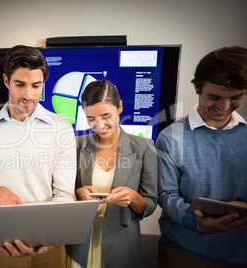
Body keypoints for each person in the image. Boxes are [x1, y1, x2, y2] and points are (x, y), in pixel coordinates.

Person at [0, 44, 76, 267]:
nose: (28, 95)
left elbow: (64, 194)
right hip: (4, 243)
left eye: (36, 86)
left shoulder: (61, 127)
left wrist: (46, 235)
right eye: (20, 85)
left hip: (49, 242)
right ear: (6, 81)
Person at [156, 46, 247, 267]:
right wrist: (193, 221)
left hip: (240, 253)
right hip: (183, 251)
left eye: (236, 97)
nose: (224, 107)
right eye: (214, 97)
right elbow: (166, 194)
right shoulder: (170, 138)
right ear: (197, 87)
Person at [66, 79, 158, 268]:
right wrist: (78, 194)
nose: (99, 125)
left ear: (120, 107)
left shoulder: (144, 147)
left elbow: (150, 204)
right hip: (80, 242)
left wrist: (133, 198)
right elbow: (62, 191)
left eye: (105, 116)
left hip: (121, 244)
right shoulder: (76, 145)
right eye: (91, 118)